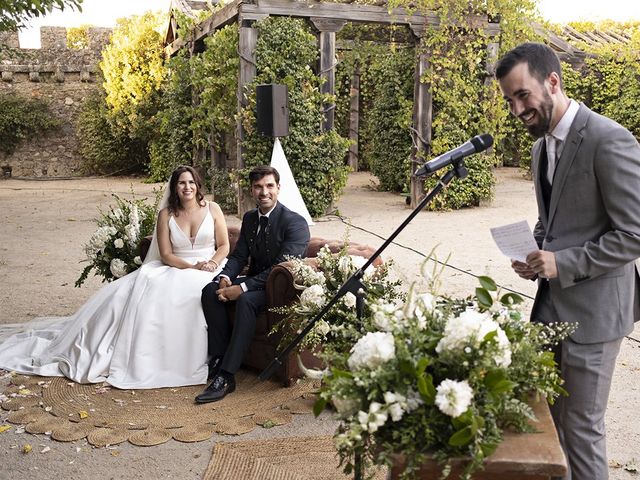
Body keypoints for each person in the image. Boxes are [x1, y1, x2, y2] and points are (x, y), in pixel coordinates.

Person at [496, 42, 640, 480]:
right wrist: (535, 254)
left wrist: (565, 263)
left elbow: (634, 233)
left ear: (553, 82)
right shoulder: (542, 147)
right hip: (551, 307)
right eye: (509, 100)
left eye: (523, 95)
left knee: (581, 429)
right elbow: (553, 223)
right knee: (548, 422)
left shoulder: (608, 138)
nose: (517, 109)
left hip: (595, 313)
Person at [0, 166, 230, 389]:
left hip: (211, 266)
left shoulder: (212, 209)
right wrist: (191, 266)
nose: (187, 187)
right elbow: (167, 255)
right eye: (181, 182)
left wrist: (210, 264)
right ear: (175, 187)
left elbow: (224, 245)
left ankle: (205, 357)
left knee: (195, 292)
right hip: (178, 266)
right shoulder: (166, 214)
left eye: (191, 182)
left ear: (197, 184)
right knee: (135, 295)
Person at [196, 165, 311, 403]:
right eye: (258, 187)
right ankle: (218, 358)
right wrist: (226, 278)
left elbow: (281, 265)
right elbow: (239, 256)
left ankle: (227, 377)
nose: (264, 192)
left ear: (279, 188)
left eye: (269, 186)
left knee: (246, 300)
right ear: (251, 190)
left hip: (279, 289)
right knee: (210, 289)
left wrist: (242, 288)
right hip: (256, 279)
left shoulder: (295, 222)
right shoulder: (249, 218)